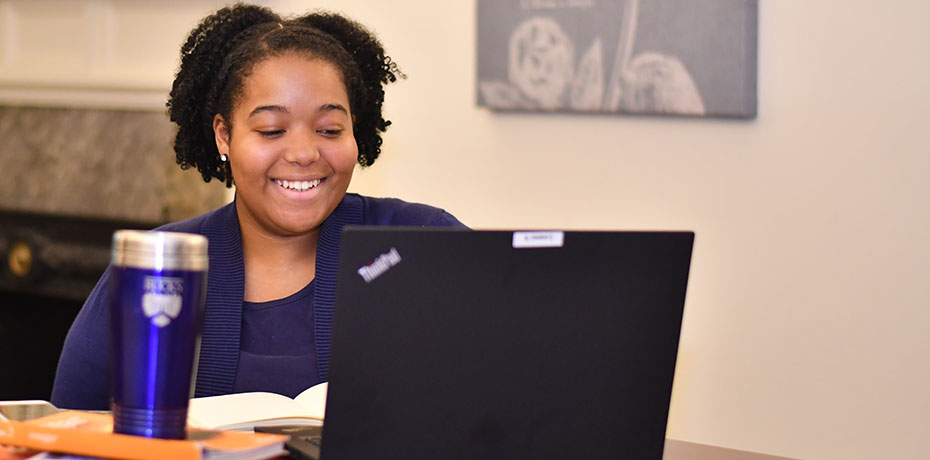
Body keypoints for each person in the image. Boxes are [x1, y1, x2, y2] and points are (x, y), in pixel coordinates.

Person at [51, 3, 464, 410]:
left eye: (329, 129)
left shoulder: (426, 242)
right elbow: (65, 431)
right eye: (271, 130)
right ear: (224, 135)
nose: (303, 153)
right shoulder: (155, 267)